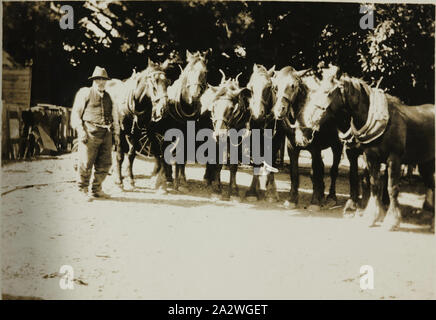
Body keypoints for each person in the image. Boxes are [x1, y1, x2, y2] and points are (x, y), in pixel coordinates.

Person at [71, 66, 120, 201]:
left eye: (103, 80)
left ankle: (96, 189)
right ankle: (82, 189)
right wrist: (81, 131)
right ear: (93, 80)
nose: (101, 82)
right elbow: (76, 113)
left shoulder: (110, 97)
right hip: (90, 132)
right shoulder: (85, 93)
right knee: (86, 162)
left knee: (105, 163)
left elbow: (115, 115)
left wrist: (116, 133)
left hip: (106, 132)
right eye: (98, 79)